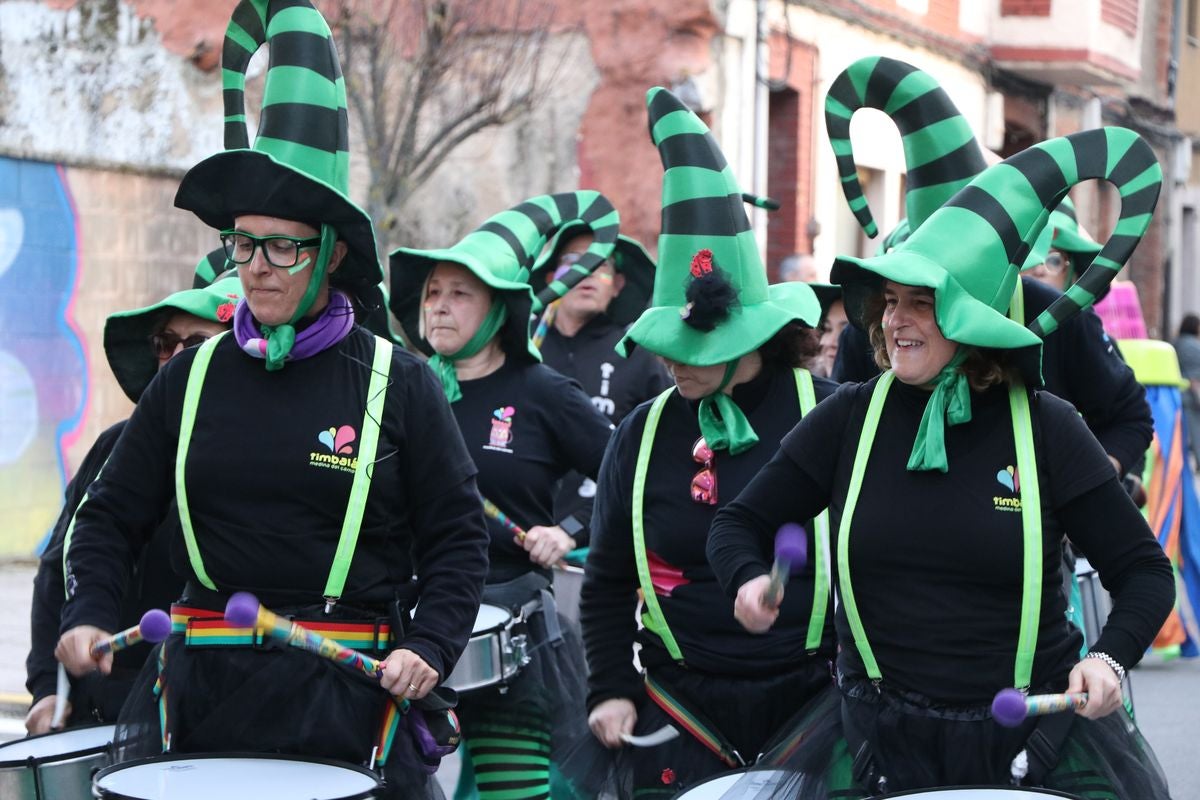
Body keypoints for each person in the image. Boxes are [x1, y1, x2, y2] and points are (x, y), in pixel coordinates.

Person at [54, 3, 488, 797]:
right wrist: (87, 611)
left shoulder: (399, 381)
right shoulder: (187, 380)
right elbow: (110, 517)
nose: (257, 266)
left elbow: (458, 537)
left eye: (282, 246)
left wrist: (431, 643)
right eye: (243, 243)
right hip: (202, 698)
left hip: (349, 700)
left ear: (331, 252)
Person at [707, 127, 1174, 798]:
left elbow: (1145, 574)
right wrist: (747, 581)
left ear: (972, 315)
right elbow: (738, 523)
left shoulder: (1046, 428)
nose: (896, 320)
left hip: (1031, 738)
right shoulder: (849, 417)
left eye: (921, 303)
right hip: (876, 739)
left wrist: (1106, 658)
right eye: (890, 301)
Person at [580, 87, 836, 798]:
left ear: (752, 336)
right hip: (679, 707)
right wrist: (610, 686)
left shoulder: (833, 416)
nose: (673, 363)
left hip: (819, 703)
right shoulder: (643, 431)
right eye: (667, 347)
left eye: (695, 348)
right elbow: (605, 582)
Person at [825, 57, 1152, 489]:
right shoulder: (872, 324)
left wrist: (1087, 491)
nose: (899, 316)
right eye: (897, 295)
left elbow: (1129, 417)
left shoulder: (1052, 317)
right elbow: (830, 445)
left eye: (927, 297)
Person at [389, 191, 619, 800]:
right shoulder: (396, 389)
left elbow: (634, 472)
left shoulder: (544, 392)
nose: (438, 307)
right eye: (433, 292)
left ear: (498, 310)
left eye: (460, 294)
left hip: (508, 628)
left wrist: (570, 528)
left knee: (509, 792)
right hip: (403, 626)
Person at [25, 269, 239, 735]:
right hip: (99, 714)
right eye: (166, 342)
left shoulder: (261, 462)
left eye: (197, 342)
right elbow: (55, 573)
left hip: (205, 725)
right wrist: (46, 686)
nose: (175, 357)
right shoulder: (115, 447)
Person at [530, 223, 670, 546]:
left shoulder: (637, 354)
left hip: (602, 545)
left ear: (618, 284)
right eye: (573, 260)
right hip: (521, 541)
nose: (586, 271)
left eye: (600, 263)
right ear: (551, 279)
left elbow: (659, 459)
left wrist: (572, 529)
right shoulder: (520, 347)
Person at [1174, 312, 1200, 469]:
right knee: (1195, 430)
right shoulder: (1194, 346)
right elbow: (1195, 377)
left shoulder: (1176, 343)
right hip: (1190, 396)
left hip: (1175, 394)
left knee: (1180, 433)